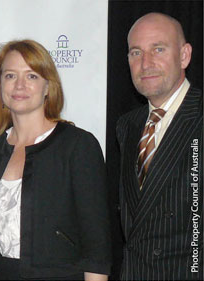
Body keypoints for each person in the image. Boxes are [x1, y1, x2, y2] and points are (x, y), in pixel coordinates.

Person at [0, 40, 112, 281]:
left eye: (32, 76)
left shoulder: (78, 146)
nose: (19, 85)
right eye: (10, 75)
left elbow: (96, 247)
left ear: (48, 86)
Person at [116, 12, 202, 280]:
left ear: (184, 55)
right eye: (136, 53)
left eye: (159, 49)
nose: (146, 63)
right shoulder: (127, 126)